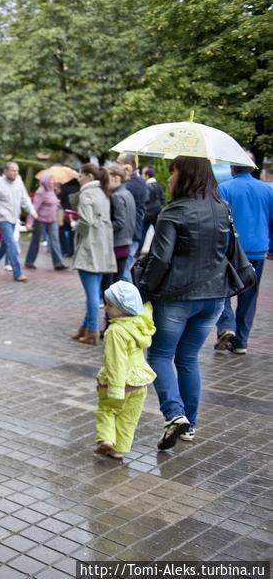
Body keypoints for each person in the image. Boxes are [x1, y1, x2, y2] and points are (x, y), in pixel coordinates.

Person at [138, 156, 232, 449]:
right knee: (188, 359)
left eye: (174, 171)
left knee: (159, 356)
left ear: (186, 175)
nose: (169, 177)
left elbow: (160, 260)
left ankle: (174, 414)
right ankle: (189, 426)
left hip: (177, 297)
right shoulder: (222, 208)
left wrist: (143, 290)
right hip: (214, 297)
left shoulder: (173, 213)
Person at [215, 152, 273, 355]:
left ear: (233, 168)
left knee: (222, 290)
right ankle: (241, 342)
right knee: (249, 297)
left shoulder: (224, 188)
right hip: (257, 251)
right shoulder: (267, 190)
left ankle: (226, 326)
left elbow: (219, 221)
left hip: (230, 250)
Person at [94, 281, 156, 460]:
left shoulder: (115, 331)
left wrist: (115, 388)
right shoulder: (139, 324)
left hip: (120, 381)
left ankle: (106, 439)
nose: (105, 308)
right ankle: (119, 449)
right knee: (129, 418)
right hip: (139, 383)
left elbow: (116, 362)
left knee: (106, 409)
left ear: (123, 308)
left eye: (110, 305)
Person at [72, 163, 115, 345]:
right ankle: (86, 326)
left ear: (89, 176)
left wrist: (75, 226)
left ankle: (92, 331)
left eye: (80, 175)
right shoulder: (103, 193)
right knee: (95, 292)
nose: (78, 178)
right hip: (103, 248)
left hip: (90, 248)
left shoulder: (87, 193)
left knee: (91, 295)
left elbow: (86, 220)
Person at [0, 162, 33, 281]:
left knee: (5, 245)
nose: (15, 173)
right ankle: (18, 273)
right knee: (12, 244)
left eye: (17, 171)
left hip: (13, 217)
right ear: (5, 171)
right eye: (13, 170)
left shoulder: (19, 182)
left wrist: (32, 211)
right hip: (2, 218)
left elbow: (25, 198)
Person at [24, 172, 67, 271]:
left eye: (53, 180)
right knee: (36, 240)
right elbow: (34, 207)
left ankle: (58, 263)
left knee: (55, 240)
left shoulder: (52, 191)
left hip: (52, 220)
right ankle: (29, 262)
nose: (52, 182)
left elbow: (52, 201)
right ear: (45, 181)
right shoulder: (40, 192)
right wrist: (29, 222)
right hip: (41, 220)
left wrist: (56, 200)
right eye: (50, 180)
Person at [117, 153, 148, 276]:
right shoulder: (131, 181)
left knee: (124, 272)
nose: (115, 165)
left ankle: (132, 296)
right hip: (128, 233)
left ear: (128, 166)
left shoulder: (135, 183)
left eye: (118, 162)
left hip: (131, 233)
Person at [106, 164, 137, 284]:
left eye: (107, 177)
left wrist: (104, 227)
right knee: (118, 281)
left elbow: (119, 222)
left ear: (116, 178)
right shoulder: (127, 193)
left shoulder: (117, 196)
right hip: (126, 242)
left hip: (117, 244)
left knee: (112, 283)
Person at [59, 176, 81, 257]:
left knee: (61, 230)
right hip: (76, 213)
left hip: (66, 213)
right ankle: (72, 250)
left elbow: (61, 200)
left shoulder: (64, 188)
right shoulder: (79, 188)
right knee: (73, 232)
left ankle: (65, 249)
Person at [142, 166, 165, 242]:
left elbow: (145, 199)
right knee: (159, 234)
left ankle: (137, 252)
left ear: (147, 176)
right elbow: (162, 199)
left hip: (148, 213)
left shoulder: (146, 186)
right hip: (157, 212)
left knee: (143, 233)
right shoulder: (159, 186)